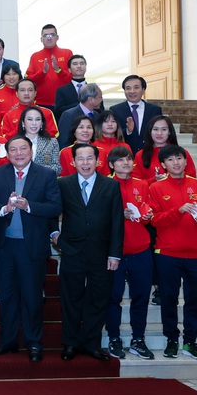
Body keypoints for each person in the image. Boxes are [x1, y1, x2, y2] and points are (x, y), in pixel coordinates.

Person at [0, 136, 62, 362]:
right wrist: (5, 208)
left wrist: (29, 206)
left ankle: (33, 342)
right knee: (7, 296)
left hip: (32, 247)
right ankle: (8, 341)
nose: (19, 153)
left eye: (23, 148)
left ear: (31, 151)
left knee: (31, 297)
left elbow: (55, 206)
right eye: (13, 150)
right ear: (7, 153)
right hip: (5, 245)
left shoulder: (46, 174)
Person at [55, 143, 124, 362]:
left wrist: (114, 254)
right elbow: (51, 212)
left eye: (89, 158)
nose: (85, 163)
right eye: (80, 159)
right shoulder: (63, 184)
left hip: (101, 253)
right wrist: (55, 234)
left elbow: (117, 221)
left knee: (98, 299)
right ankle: (71, 343)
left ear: (97, 161)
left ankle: (93, 343)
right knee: (70, 299)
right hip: (72, 251)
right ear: (73, 162)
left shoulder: (111, 186)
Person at [149, 144, 197, 360]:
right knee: (169, 298)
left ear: (186, 161)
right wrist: (177, 211)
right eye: (170, 160)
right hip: (168, 253)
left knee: (195, 299)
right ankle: (171, 339)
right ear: (163, 164)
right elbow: (154, 220)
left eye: (179, 158)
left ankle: (190, 341)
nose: (176, 162)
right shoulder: (155, 189)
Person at [104, 146, 156, 360]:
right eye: (120, 160)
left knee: (141, 297)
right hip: (113, 252)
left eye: (128, 159)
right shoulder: (105, 185)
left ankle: (138, 339)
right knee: (113, 297)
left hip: (141, 249)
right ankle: (114, 338)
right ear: (111, 164)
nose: (126, 163)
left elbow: (147, 214)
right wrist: (118, 215)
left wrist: (146, 214)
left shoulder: (142, 185)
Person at [132, 115, 197, 184]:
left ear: (169, 132)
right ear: (150, 131)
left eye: (164, 129)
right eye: (155, 129)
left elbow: (192, 180)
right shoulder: (140, 155)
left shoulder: (182, 153)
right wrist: (154, 180)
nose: (159, 133)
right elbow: (135, 183)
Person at [109, 75, 163, 154]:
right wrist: (128, 131)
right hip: (125, 155)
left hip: (149, 154)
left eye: (136, 87)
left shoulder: (154, 110)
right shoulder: (116, 110)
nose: (132, 91)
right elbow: (113, 134)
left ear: (143, 90)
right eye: (128, 88)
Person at [25, 24, 73, 109]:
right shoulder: (35, 56)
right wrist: (43, 72)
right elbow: (28, 81)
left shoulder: (67, 53)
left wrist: (58, 70)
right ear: (41, 39)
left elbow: (72, 79)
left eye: (52, 35)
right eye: (46, 35)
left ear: (57, 37)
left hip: (65, 103)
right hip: (41, 104)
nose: (49, 38)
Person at [53, 55, 104, 120]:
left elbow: (101, 110)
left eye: (82, 63)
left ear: (86, 68)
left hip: (91, 123)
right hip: (70, 124)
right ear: (69, 69)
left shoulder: (95, 89)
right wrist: (83, 104)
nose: (79, 66)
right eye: (75, 64)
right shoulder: (62, 90)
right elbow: (58, 111)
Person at [57, 83, 104, 149]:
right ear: (91, 99)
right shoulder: (68, 115)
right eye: (100, 97)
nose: (101, 100)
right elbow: (63, 142)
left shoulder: (97, 115)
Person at [17, 106, 61, 175]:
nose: (34, 123)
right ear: (23, 123)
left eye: (37, 119)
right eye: (30, 119)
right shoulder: (15, 143)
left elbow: (57, 168)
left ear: (42, 123)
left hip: (44, 182)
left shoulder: (51, 142)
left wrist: (36, 171)